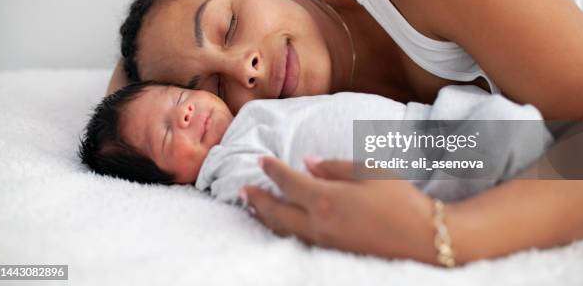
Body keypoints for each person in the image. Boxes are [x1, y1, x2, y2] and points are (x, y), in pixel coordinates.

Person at [106, 0, 583, 265]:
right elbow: (134, 125)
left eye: (228, 26)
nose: (245, 68)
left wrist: (444, 235)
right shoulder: (335, 129)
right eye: (213, 88)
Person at [80, 81, 552, 204]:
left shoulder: (252, 111)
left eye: (181, 96)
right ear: (169, 180)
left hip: (429, 121)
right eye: (166, 133)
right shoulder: (228, 162)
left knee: (523, 126)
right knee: (522, 147)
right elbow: (262, 194)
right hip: (414, 163)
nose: (185, 113)